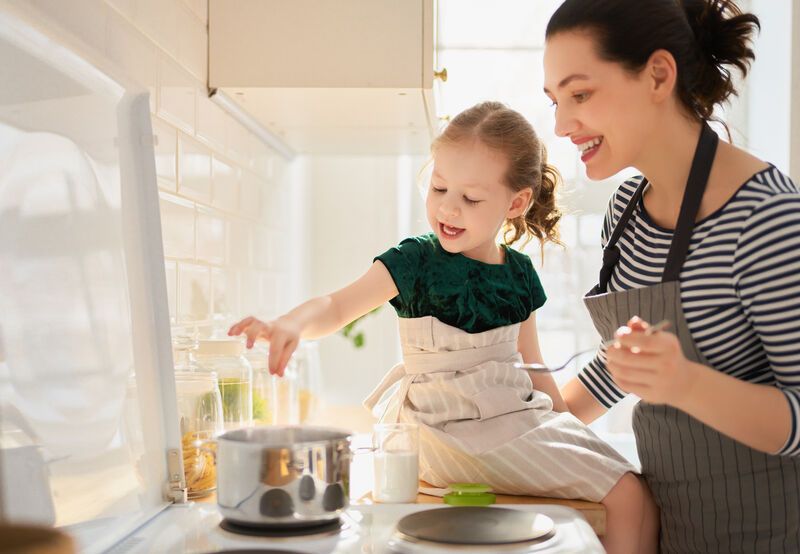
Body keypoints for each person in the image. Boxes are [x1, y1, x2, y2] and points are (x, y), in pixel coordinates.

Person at [228, 101, 657, 553]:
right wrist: (289, 324)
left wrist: (570, 433)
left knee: (639, 490)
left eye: (470, 198)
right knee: (627, 495)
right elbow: (336, 306)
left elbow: (533, 369)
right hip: (447, 434)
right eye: (438, 188)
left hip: (510, 422)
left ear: (516, 202)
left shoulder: (519, 273)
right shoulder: (415, 261)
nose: (448, 209)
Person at [543, 0, 800, 552]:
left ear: (659, 74)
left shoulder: (767, 218)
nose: (562, 125)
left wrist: (686, 383)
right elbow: (630, 369)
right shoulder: (626, 210)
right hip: (675, 530)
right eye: (556, 102)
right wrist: (534, 424)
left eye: (580, 95)